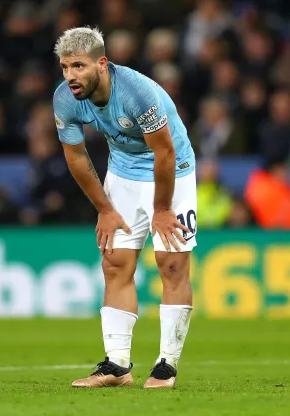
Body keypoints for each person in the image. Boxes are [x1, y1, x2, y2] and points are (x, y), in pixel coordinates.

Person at [52, 27, 196, 389]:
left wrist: (162, 209)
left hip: (172, 170)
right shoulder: (66, 99)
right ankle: (117, 366)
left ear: (102, 63)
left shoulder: (137, 92)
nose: (70, 75)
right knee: (115, 263)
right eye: (65, 66)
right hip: (124, 174)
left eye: (78, 66)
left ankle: (166, 366)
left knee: (172, 263)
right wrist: (104, 208)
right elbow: (76, 155)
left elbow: (164, 152)